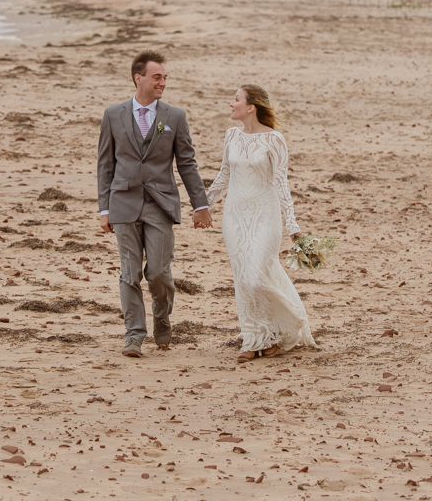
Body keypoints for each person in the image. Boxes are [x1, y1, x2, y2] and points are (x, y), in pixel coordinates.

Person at [96, 50, 212, 358]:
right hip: (122, 203)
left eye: (164, 78)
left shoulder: (174, 117)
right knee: (129, 273)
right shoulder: (113, 115)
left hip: (161, 204)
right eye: (156, 77)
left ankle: (162, 317)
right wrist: (104, 208)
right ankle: (134, 334)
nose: (162, 83)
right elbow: (105, 163)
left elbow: (187, 164)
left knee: (159, 272)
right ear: (139, 78)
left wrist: (200, 204)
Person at [207, 84, 315, 363]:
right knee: (243, 279)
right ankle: (256, 338)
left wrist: (293, 225)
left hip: (265, 217)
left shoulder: (274, 140)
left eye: (236, 99)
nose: (231, 104)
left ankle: (290, 320)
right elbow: (223, 177)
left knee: (256, 276)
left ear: (250, 107)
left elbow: (282, 185)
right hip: (234, 217)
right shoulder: (231, 135)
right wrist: (202, 206)